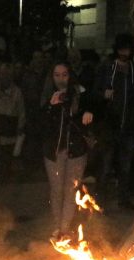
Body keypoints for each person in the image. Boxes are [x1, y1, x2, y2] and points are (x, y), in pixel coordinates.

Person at [43, 62, 95, 240]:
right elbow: (40, 123)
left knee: (71, 189)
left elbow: (95, 108)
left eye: (64, 74)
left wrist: (89, 111)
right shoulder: (47, 93)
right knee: (57, 189)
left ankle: (64, 229)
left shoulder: (80, 92)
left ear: (70, 75)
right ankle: (57, 227)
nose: (61, 79)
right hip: (54, 150)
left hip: (76, 149)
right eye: (57, 75)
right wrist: (52, 106)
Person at [95, 33, 134, 209]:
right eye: (122, 48)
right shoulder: (107, 68)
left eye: (128, 48)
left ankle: (123, 200)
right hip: (110, 126)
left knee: (125, 166)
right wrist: (103, 94)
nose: (125, 51)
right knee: (105, 165)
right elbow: (94, 91)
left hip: (129, 126)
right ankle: (98, 201)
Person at [0, 63, 26, 178]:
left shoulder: (17, 91)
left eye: (8, 74)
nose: (5, 76)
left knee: (6, 155)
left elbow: (21, 111)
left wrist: (20, 127)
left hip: (8, 128)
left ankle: (5, 178)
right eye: (3, 74)